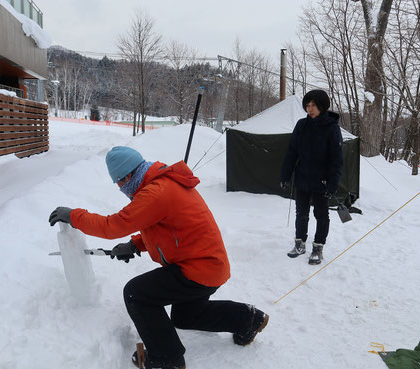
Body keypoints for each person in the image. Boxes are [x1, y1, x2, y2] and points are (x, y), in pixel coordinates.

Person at [49, 146, 269, 369]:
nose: (120, 188)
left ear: (126, 176)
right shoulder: (162, 184)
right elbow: (168, 228)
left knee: (137, 294)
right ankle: (247, 319)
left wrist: (73, 216)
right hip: (208, 265)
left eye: (118, 183)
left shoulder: (156, 192)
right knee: (186, 316)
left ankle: (167, 359)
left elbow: (112, 226)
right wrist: (134, 245)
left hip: (198, 268)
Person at [279, 90, 343, 265]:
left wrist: (332, 183)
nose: (310, 109)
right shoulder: (301, 125)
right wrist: (285, 175)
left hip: (321, 181)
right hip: (302, 178)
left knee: (321, 215)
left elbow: (336, 159)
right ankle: (299, 244)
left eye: (313, 105)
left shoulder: (332, 127)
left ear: (322, 105)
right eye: (307, 105)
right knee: (301, 213)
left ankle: (318, 248)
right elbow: (292, 152)